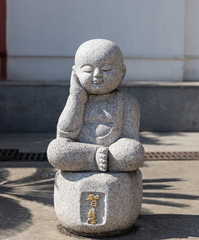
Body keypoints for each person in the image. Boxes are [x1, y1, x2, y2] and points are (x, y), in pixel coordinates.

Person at [47, 39, 145, 172]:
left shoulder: (128, 102)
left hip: (114, 153)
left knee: (133, 151)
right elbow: (65, 133)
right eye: (88, 69)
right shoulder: (78, 99)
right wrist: (76, 97)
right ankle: (92, 158)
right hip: (83, 150)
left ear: (123, 71)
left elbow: (130, 138)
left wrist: (123, 148)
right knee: (56, 150)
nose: (97, 75)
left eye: (106, 69)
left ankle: (98, 160)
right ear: (75, 72)